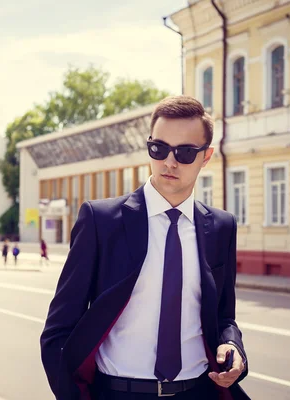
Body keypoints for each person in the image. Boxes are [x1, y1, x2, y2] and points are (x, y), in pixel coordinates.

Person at [40, 96, 249, 400]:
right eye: (159, 148)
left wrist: (232, 346)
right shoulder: (101, 221)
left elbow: (224, 317)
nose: (169, 161)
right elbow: (58, 330)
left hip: (196, 393)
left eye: (185, 152)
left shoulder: (221, 227)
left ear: (206, 157)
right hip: (118, 393)